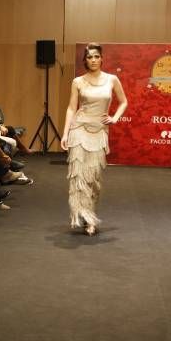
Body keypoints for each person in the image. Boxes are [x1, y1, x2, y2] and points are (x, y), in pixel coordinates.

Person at [60, 43, 128, 236]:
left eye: (96, 56)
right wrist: (65, 133)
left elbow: (124, 101)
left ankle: (90, 212)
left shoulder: (112, 79)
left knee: (93, 177)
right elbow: (72, 108)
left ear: (102, 58)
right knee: (78, 176)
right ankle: (86, 217)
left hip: (99, 132)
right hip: (79, 129)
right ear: (85, 60)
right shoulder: (78, 81)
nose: (93, 60)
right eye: (89, 57)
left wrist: (114, 118)